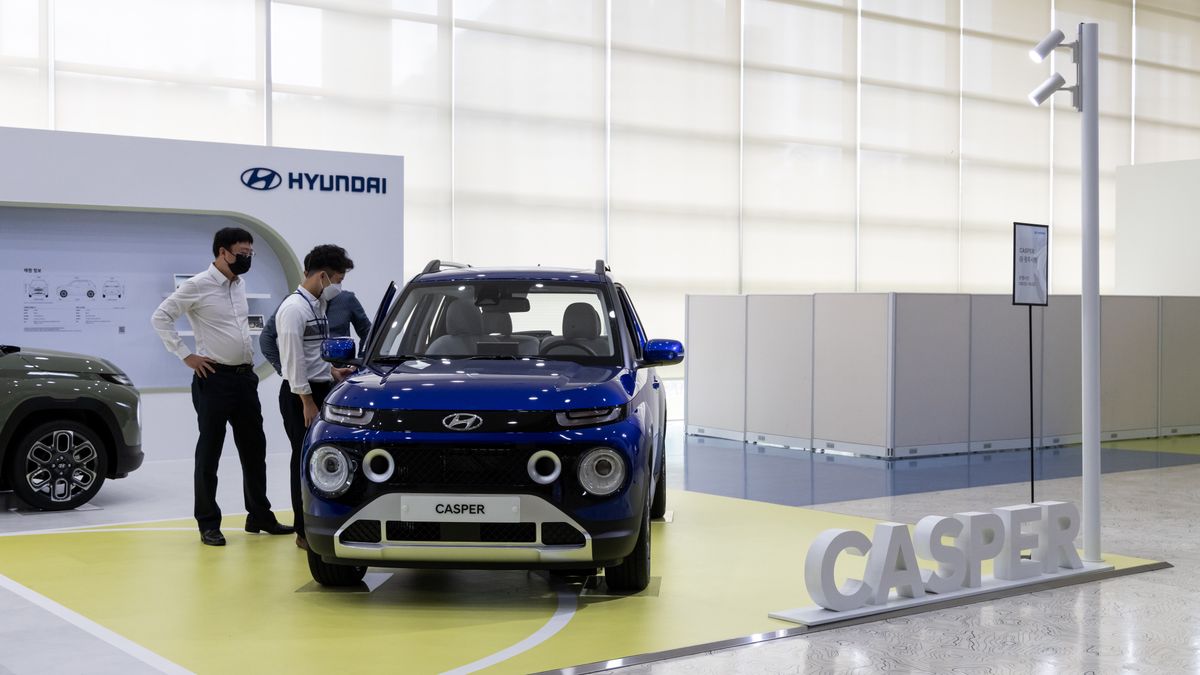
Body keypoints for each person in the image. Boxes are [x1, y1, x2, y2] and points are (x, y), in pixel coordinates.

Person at [151, 227, 293, 546]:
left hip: (245, 378)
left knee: (254, 449)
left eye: (250, 254)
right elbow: (160, 317)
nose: (247, 259)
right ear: (222, 252)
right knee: (210, 452)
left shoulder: (239, 284)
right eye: (242, 253)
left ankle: (259, 515)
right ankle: (208, 522)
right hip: (212, 378)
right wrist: (186, 355)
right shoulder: (197, 285)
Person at [277, 244, 357, 550]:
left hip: (319, 386)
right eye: (338, 278)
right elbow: (294, 361)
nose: (339, 286)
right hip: (301, 394)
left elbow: (314, 353)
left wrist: (332, 372)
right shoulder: (293, 309)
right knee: (303, 458)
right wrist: (307, 400)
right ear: (322, 276)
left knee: (317, 459)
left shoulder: (317, 306)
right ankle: (302, 530)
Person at [260, 286, 371, 376]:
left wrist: (360, 362)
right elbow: (266, 337)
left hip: (341, 375)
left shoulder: (347, 299)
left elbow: (368, 332)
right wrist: (284, 369)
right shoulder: (293, 304)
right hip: (308, 377)